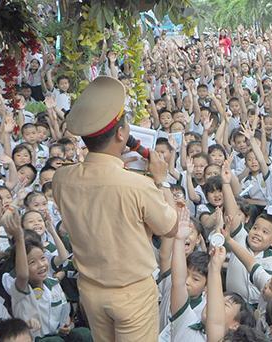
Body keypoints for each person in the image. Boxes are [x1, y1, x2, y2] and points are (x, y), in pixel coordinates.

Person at [51, 76, 178, 341]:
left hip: (91, 292)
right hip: (132, 294)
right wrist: (160, 179)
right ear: (121, 134)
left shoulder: (61, 178)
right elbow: (170, 227)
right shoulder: (135, 185)